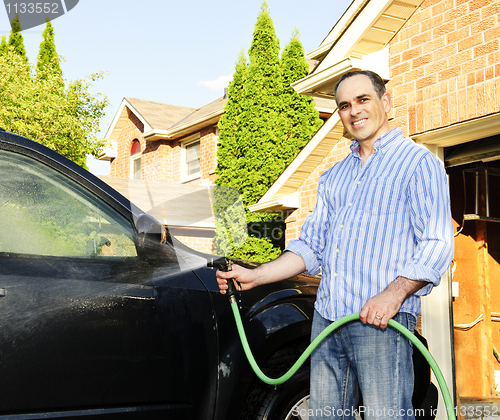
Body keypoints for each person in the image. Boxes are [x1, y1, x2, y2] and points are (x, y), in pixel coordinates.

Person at [216, 70, 454, 419]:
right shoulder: (334, 176)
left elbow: (436, 243)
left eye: (363, 99)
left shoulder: (418, 164)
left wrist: (393, 295)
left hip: (381, 323)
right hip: (327, 322)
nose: (354, 110)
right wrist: (258, 275)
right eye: (344, 105)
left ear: (385, 102)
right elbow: (311, 246)